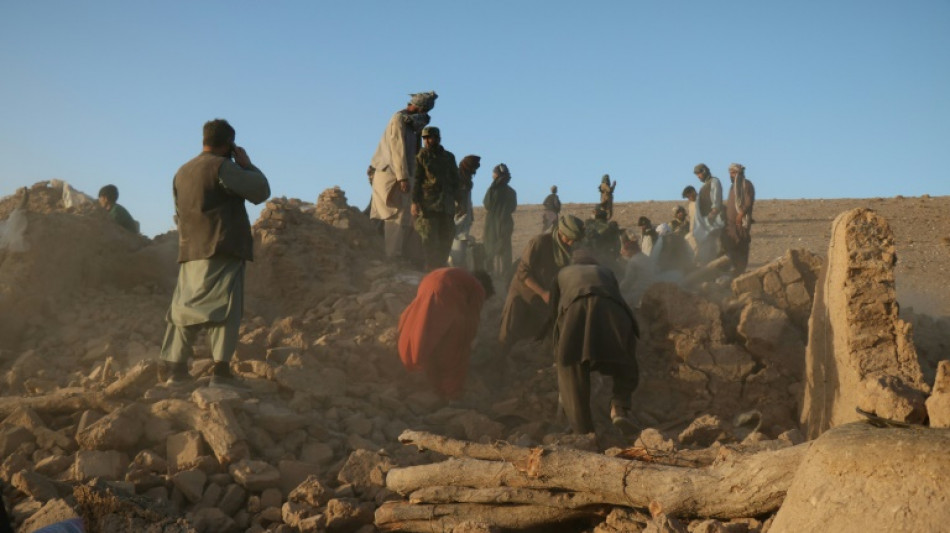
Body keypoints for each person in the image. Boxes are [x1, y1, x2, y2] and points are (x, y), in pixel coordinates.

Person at [160, 119, 270, 389]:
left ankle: (175, 369)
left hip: (190, 251)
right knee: (226, 308)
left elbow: (178, 211)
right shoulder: (223, 167)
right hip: (222, 247)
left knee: (184, 307)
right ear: (229, 144)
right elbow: (260, 191)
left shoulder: (181, 172)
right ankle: (221, 371)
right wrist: (247, 165)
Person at [550, 259, 640, 436]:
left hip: (576, 310)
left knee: (570, 366)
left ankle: (583, 430)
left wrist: (558, 354)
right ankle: (619, 407)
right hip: (613, 310)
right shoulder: (605, 271)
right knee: (624, 358)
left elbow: (555, 315)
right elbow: (617, 295)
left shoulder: (561, 274)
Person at [397, 268, 494, 399]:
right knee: (456, 345)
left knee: (426, 334)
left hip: (427, 283)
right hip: (445, 292)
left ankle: (431, 382)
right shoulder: (478, 288)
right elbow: (472, 322)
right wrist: (467, 342)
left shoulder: (459, 276)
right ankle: (452, 394)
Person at [498, 214, 584, 357]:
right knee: (509, 329)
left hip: (547, 294)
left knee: (549, 327)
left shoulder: (570, 249)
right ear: (560, 232)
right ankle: (499, 363)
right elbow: (523, 272)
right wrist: (543, 293)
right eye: (568, 239)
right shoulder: (539, 242)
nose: (569, 243)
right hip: (523, 291)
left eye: (573, 241)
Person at [369, 91, 437, 261]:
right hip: (392, 174)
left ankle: (396, 255)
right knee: (394, 215)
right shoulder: (399, 119)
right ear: (420, 107)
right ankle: (392, 257)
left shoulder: (411, 123)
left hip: (403, 173)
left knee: (405, 217)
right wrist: (403, 177)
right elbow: (397, 150)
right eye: (425, 110)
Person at [412, 126, 458, 271]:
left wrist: (460, 200)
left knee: (447, 238)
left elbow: (455, 180)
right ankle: (430, 269)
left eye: (429, 138)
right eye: (425, 138)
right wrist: (414, 202)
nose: (427, 141)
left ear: (437, 138)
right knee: (429, 239)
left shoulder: (449, 157)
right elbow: (416, 181)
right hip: (429, 205)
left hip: (447, 205)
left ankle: (441, 267)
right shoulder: (421, 156)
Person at [482, 163, 518, 278]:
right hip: (506, 222)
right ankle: (507, 274)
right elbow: (513, 208)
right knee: (506, 248)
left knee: (489, 247)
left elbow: (487, 204)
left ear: (497, 175)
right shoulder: (512, 192)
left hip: (492, 222)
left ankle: (490, 273)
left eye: (494, 173)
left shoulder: (493, 190)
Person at [722, 162, 756, 274]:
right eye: (730, 173)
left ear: (739, 173)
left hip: (740, 224)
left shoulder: (746, 184)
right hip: (730, 225)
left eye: (733, 172)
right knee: (731, 248)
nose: (731, 175)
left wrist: (741, 214)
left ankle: (740, 272)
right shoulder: (733, 187)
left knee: (741, 246)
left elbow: (748, 202)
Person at [450, 155, 480, 269]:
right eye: (473, 168)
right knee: (456, 256)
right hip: (456, 220)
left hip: (463, 221)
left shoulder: (466, 180)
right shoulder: (457, 178)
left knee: (461, 255)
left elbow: (467, 201)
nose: (474, 171)